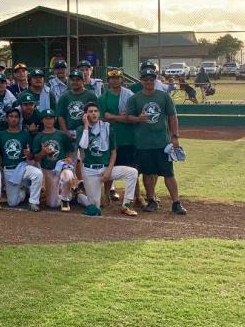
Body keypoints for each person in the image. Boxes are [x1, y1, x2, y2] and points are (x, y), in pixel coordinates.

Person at [126, 68, 187, 215]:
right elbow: (128, 117)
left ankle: (176, 202)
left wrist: (175, 136)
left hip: (162, 142)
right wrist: (138, 119)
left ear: (155, 80)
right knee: (147, 172)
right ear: (141, 81)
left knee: (168, 173)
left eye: (151, 79)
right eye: (145, 79)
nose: (148, 82)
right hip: (143, 142)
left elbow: (172, 116)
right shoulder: (135, 98)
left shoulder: (163, 96)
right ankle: (151, 200)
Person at [77, 102, 139, 216]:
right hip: (90, 171)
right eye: (90, 112)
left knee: (132, 172)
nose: (94, 114)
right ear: (85, 115)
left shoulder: (107, 128)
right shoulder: (81, 130)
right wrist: (86, 126)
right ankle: (80, 196)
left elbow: (113, 152)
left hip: (105, 169)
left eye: (95, 111)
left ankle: (126, 205)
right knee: (95, 208)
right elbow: (84, 145)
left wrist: (109, 170)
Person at [0, 107, 43, 211]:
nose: (13, 119)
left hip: (22, 167)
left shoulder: (25, 134)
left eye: (16, 117)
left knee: (37, 173)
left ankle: (33, 202)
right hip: (9, 169)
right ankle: (23, 190)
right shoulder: (0, 134)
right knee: (13, 203)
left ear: (19, 119)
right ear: (6, 119)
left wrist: (29, 154)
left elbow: (31, 155)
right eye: (11, 116)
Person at [98, 68, 137, 204]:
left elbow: (130, 118)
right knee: (110, 167)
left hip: (128, 137)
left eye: (117, 78)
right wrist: (120, 117)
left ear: (122, 80)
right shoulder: (103, 98)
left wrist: (113, 117)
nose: (115, 80)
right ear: (108, 81)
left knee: (132, 168)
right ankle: (106, 195)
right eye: (112, 78)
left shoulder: (129, 95)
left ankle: (135, 196)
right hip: (110, 137)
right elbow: (103, 118)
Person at [32, 109, 76, 211]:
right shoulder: (39, 137)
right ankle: (61, 193)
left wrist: (69, 157)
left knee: (68, 175)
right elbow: (35, 158)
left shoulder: (61, 134)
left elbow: (70, 149)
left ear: (54, 119)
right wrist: (43, 153)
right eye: (46, 118)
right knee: (53, 204)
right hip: (48, 170)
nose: (49, 121)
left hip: (61, 167)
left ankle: (65, 199)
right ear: (42, 120)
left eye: (51, 118)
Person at [55, 70, 98, 140]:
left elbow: (96, 114)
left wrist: (90, 130)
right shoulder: (64, 96)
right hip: (69, 131)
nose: (74, 82)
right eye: (72, 80)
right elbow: (60, 116)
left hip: (88, 131)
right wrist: (65, 131)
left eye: (78, 80)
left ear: (83, 81)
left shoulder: (91, 95)